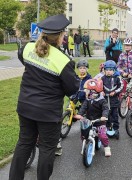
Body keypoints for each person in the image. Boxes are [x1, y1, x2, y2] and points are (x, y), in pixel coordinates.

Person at [9, 14, 79, 180]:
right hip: (47, 113)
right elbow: (72, 88)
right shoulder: (63, 60)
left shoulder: (28, 48)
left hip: (25, 106)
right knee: (47, 149)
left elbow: (24, 60)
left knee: (24, 143)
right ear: (61, 36)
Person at [74, 79, 111, 157]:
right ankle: (85, 145)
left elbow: (105, 109)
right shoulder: (87, 100)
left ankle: (106, 147)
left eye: (88, 91)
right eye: (86, 91)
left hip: (99, 121)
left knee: (102, 135)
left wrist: (104, 116)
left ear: (94, 92)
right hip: (89, 120)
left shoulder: (102, 101)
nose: (86, 92)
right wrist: (80, 114)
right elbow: (83, 107)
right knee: (84, 134)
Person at [101, 60, 123, 139]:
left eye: (110, 70)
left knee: (115, 116)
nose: (109, 72)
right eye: (107, 70)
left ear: (114, 70)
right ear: (104, 70)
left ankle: (116, 128)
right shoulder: (102, 78)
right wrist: (102, 92)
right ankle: (108, 127)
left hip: (114, 100)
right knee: (107, 115)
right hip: (105, 100)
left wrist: (115, 92)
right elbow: (99, 87)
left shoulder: (117, 78)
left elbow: (121, 86)